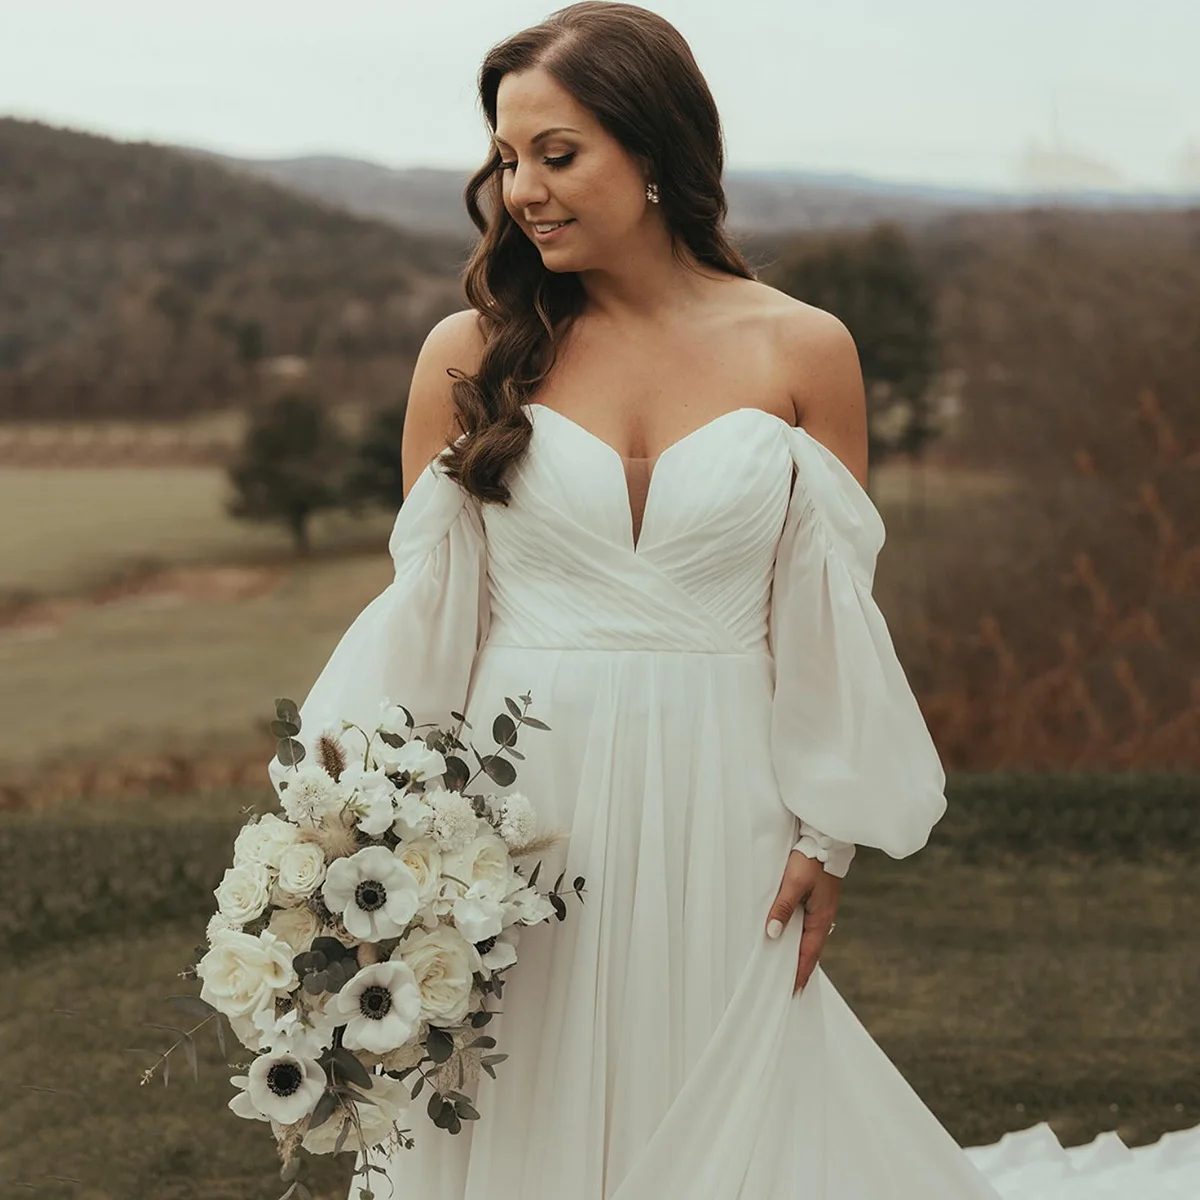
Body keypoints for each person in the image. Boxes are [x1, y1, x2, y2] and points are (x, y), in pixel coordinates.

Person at [277, 5, 1165, 1197]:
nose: (523, 189)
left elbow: (828, 614)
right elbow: (432, 614)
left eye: (558, 152)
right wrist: (383, 835)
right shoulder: (468, 353)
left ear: (654, 154)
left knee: (721, 1078)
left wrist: (825, 833)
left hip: (725, 789)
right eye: (505, 157)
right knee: (514, 1085)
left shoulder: (804, 350)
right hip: (517, 805)